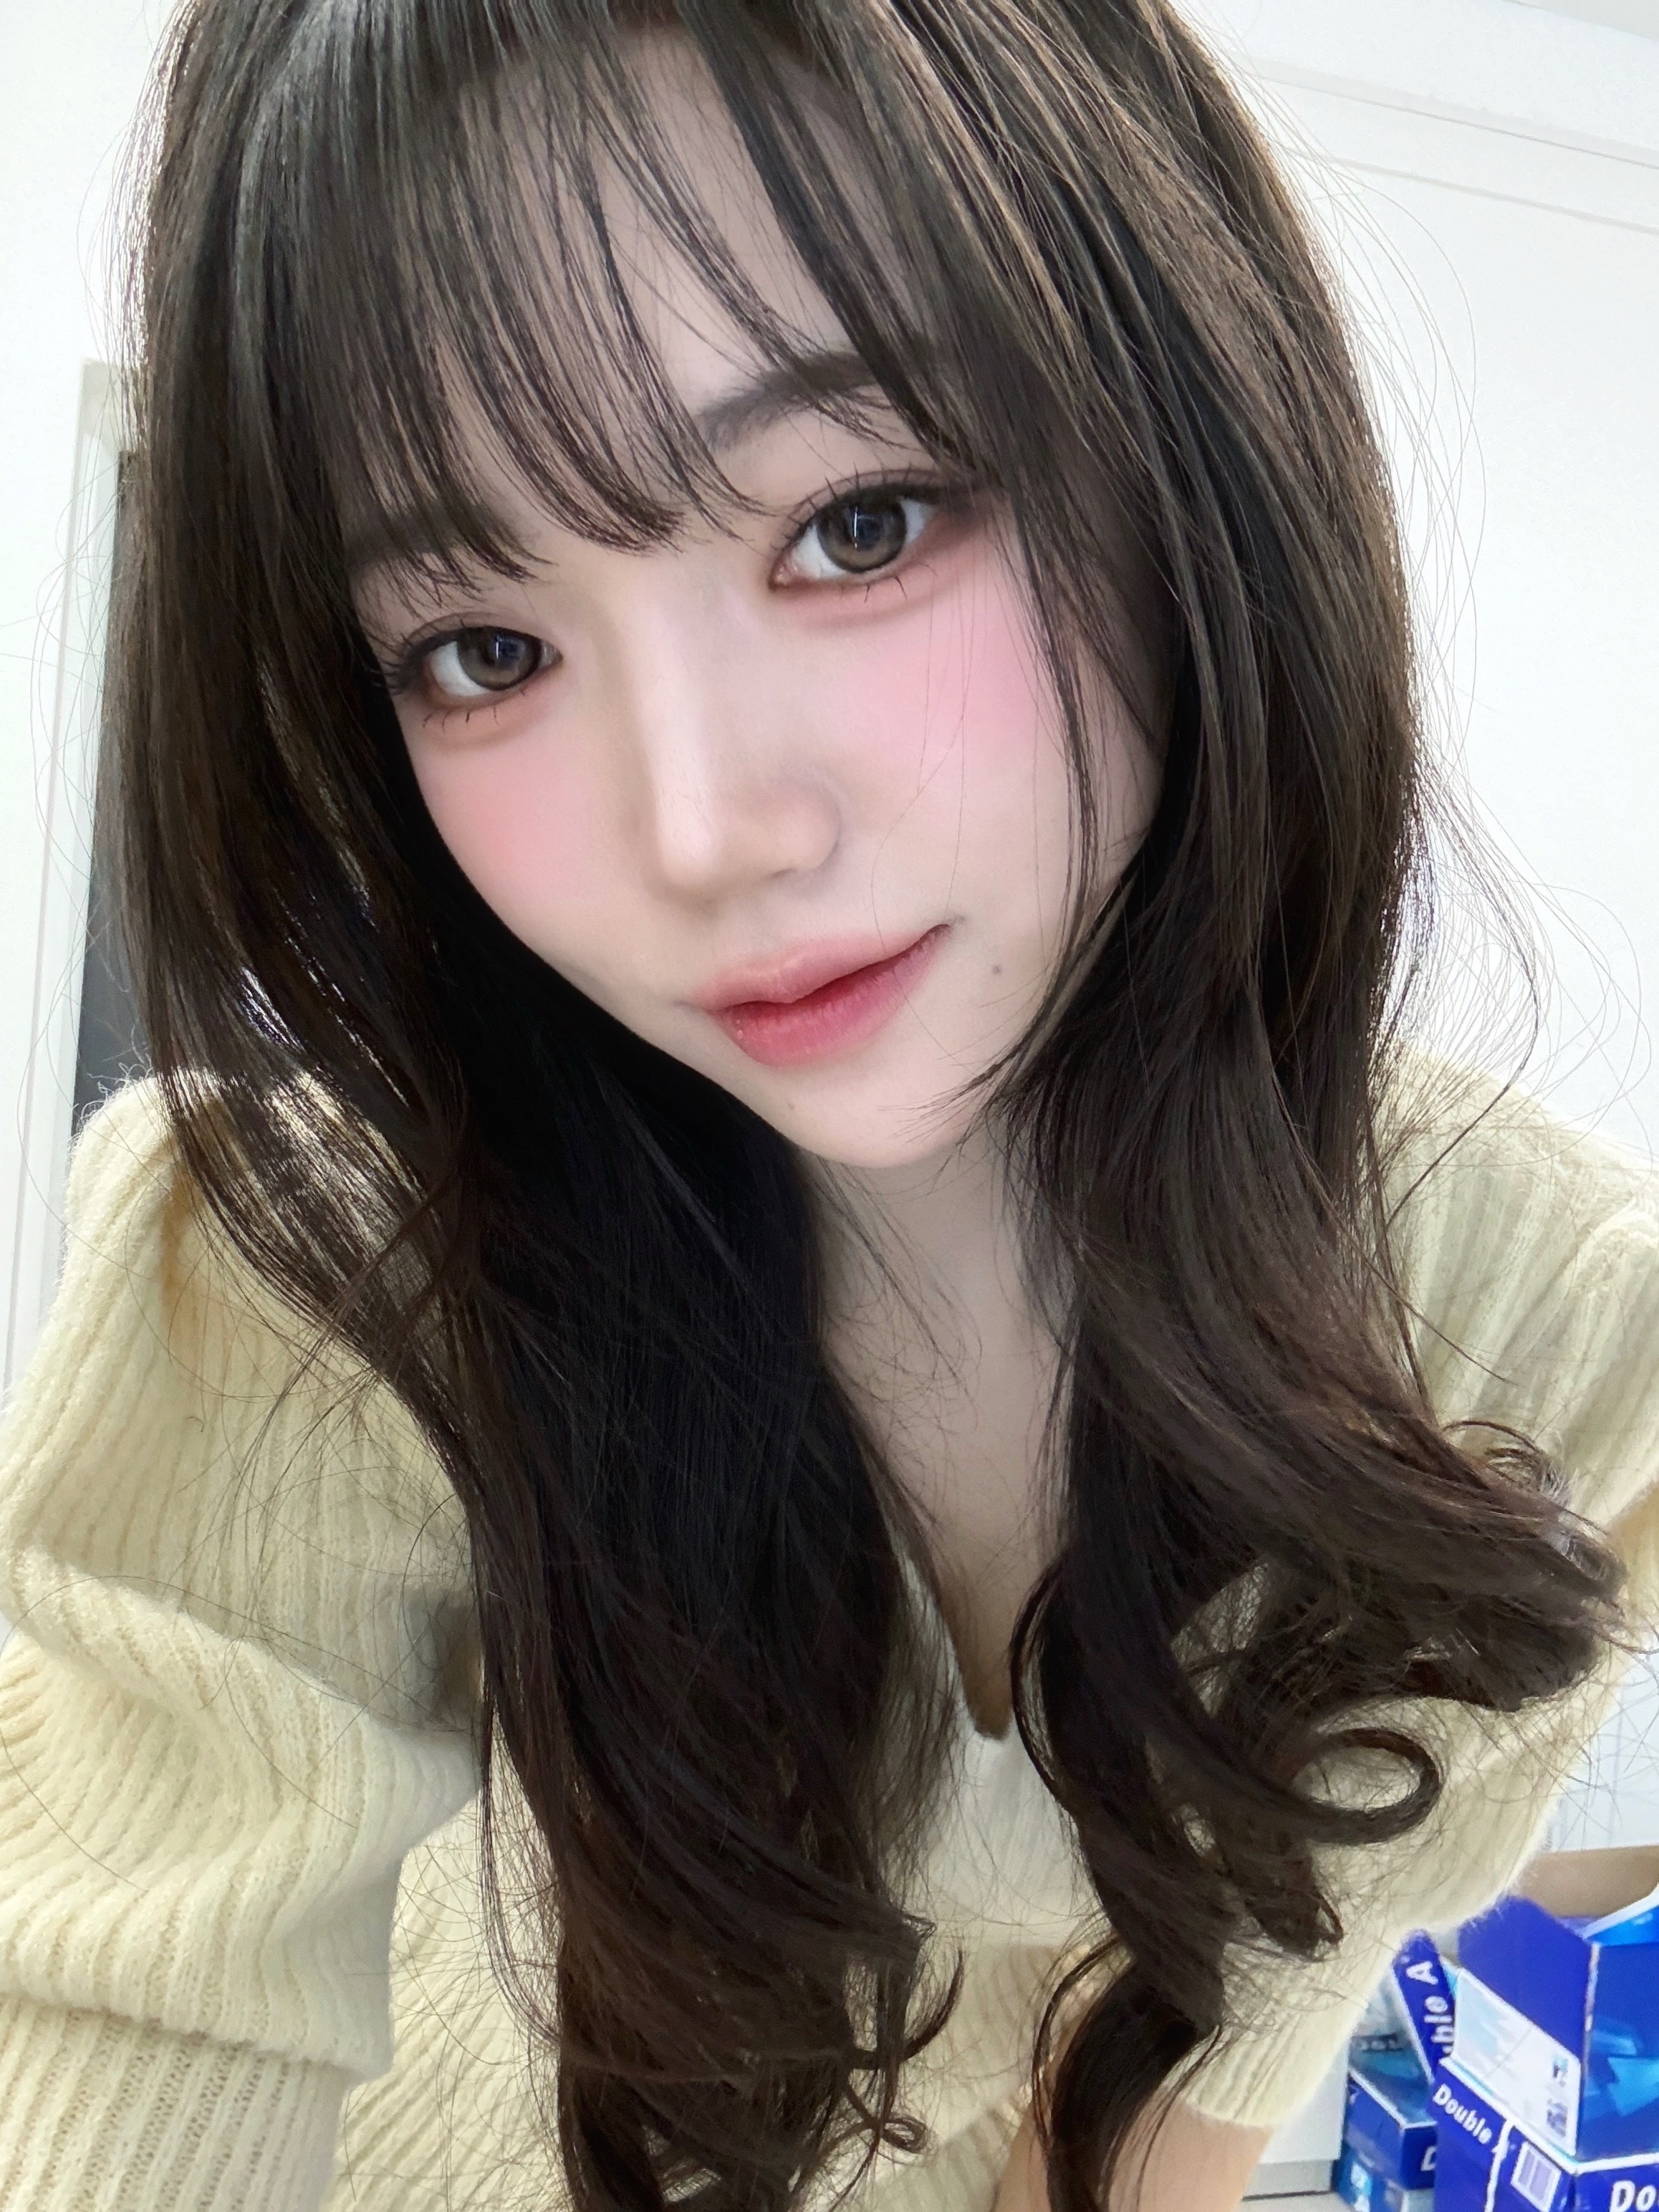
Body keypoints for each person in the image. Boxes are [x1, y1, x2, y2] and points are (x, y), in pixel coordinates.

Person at [1, 2, 1655, 2208]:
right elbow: (151, 2041)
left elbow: (1208, 2056)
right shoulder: (316, 1273)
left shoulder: (1546, 1321)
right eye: (482, 651)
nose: (700, 834)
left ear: (1195, 461)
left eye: (855, 524)